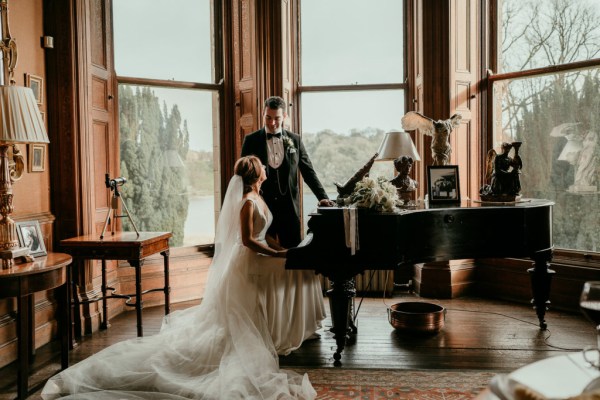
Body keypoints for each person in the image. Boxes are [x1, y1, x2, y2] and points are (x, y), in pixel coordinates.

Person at [41, 156, 322, 400]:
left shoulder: (258, 197)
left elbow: (265, 236)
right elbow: (248, 240)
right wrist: (274, 256)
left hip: (259, 258)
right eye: (261, 168)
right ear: (255, 175)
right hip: (247, 262)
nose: (265, 170)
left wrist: (281, 250)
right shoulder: (248, 202)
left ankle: (289, 329)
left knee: (265, 301)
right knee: (240, 318)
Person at [241, 96, 334, 249]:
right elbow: (244, 176)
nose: (272, 123)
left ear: (284, 116)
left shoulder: (295, 140)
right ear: (263, 114)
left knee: (293, 257)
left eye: (277, 118)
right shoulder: (251, 140)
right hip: (263, 209)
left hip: (290, 210)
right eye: (268, 117)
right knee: (265, 255)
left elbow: (308, 171)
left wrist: (323, 197)